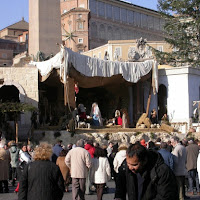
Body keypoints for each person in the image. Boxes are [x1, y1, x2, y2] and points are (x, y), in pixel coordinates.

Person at [114, 143, 178, 200]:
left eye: (134, 165)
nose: (130, 167)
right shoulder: (125, 166)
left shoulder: (162, 171)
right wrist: (118, 197)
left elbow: (165, 196)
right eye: (128, 163)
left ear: (144, 161)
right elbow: (120, 185)